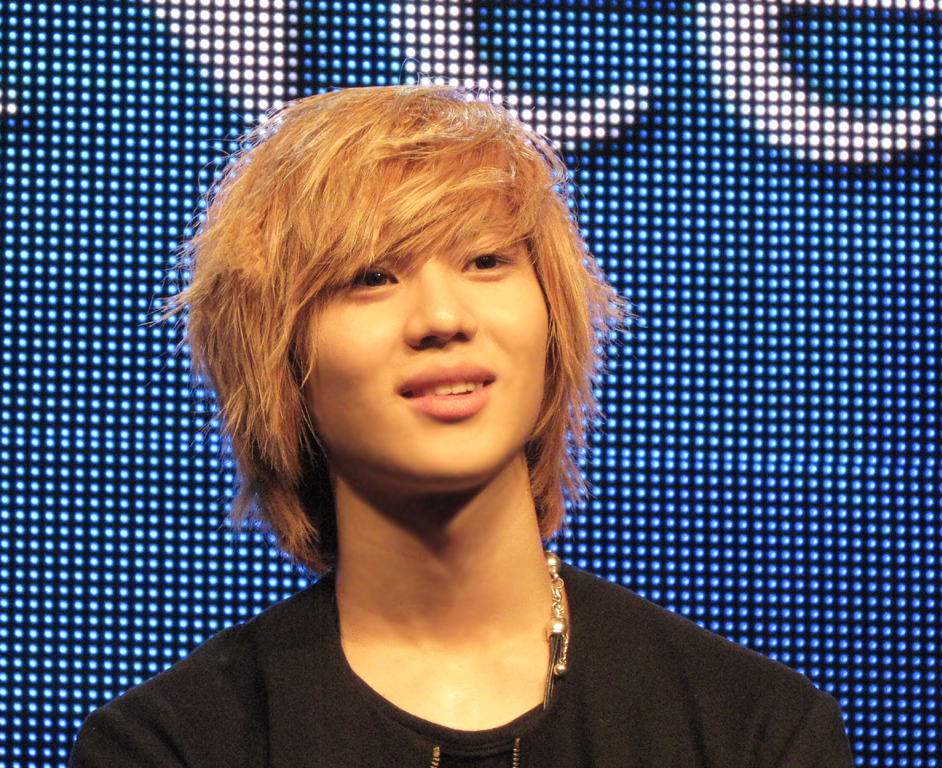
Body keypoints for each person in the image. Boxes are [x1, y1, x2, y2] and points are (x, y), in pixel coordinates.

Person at [68, 85, 855, 767]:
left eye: (484, 261)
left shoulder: (752, 730)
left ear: (552, 321)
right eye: (371, 277)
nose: (443, 318)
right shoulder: (177, 745)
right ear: (280, 360)